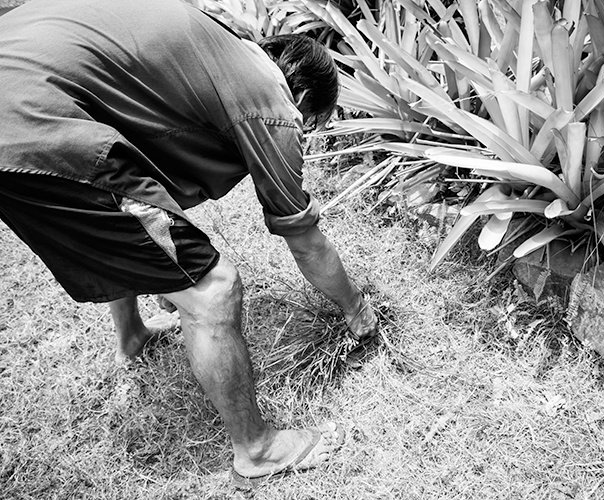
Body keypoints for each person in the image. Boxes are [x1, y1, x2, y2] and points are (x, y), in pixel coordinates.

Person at [0, 0, 377, 487]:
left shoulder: (213, 50)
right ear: (301, 93)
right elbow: (303, 238)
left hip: (19, 91)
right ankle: (257, 450)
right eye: (312, 123)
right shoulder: (270, 98)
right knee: (212, 289)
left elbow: (145, 170)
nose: (302, 132)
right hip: (34, 123)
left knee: (133, 218)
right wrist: (355, 307)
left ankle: (132, 337)